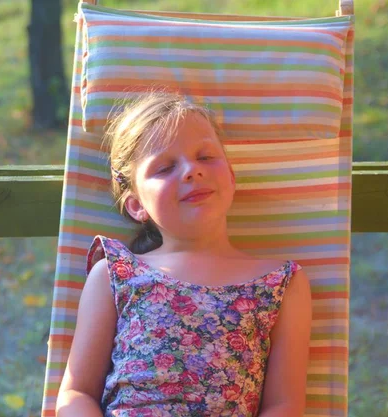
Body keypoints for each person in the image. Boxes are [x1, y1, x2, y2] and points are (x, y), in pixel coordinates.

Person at [56, 92, 312, 417]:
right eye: (164, 168)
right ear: (136, 205)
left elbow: (284, 406)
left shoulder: (280, 284)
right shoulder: (115, 273)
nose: (192, 171)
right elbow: (76, 393)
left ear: (231, 177)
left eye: (205, 157)